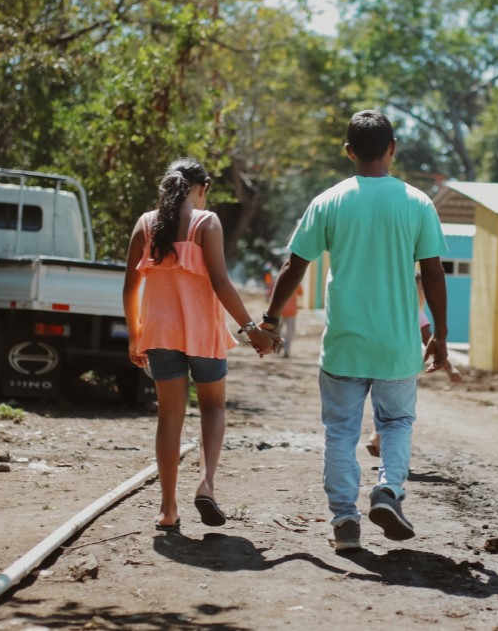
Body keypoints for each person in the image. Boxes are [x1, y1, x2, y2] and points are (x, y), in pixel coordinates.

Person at [263, 110, 449, 551]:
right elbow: (433, 272)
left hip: (344, 343)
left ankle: (345, 521)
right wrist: (439, 334)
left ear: (348, 152)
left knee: (341, 434)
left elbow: (294, 264)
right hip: (397, 344)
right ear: (392, 148)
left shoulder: (328, 201)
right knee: (397, 422)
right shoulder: (417, 202)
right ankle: (388, 490)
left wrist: (270, 319)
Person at [123, 157, 281, 532]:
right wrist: (251, 330)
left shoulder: (145, 224)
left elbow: (130, 287)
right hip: (203, 334)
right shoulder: (206, 222)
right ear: (202, 188)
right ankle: (206, 484)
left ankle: (167, 509)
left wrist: (135, 334)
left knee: (169, 418)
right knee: (212, 408)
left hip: (160, 334)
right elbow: (221, 282)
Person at [366, 273, 461, 457]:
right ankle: (389, 453)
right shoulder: (417, 315)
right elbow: (432, 343)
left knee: (382, 403)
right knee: (398, 412)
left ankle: (376, 437)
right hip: (402, 368)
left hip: (378, 364)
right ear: (410, 290)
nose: (426, 292)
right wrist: (450, 368)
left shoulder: (388, 310)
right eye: (422, 288)